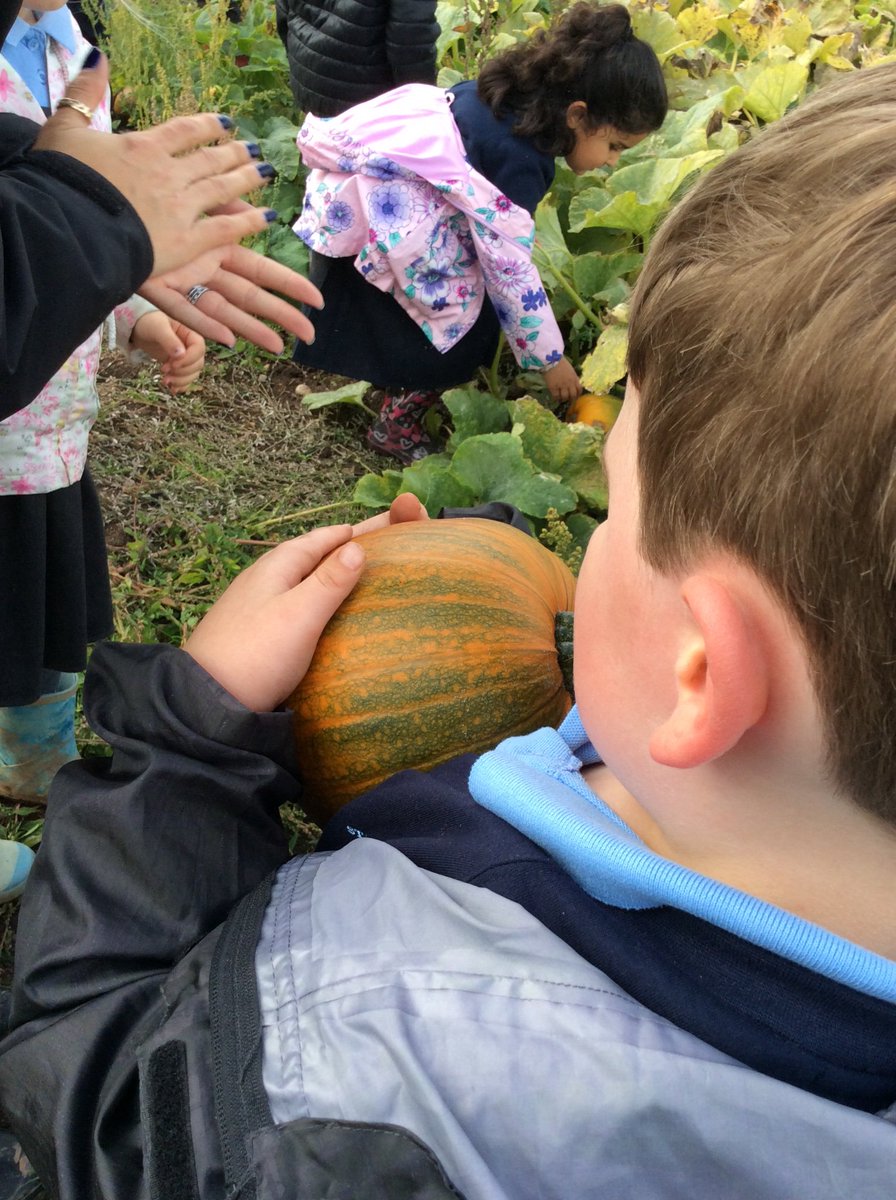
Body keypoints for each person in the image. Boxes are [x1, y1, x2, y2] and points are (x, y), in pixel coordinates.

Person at [1, 57, 895, 1200]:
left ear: (700, 675)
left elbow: (94, 1096)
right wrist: (490, 573)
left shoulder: (368, 1036)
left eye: (617, 511)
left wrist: (185, 748)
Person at [0, 0, 207, 895]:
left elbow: (74, 224)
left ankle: (33, 757)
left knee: (49, 602)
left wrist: (137, 315)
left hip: (51, 427)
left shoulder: (72, 47)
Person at [290, 2, 667, 463]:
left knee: (439, 302)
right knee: (469, 324)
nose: (611, 161)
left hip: (353, 212)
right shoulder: (521, 160)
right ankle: (398, 422)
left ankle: (391, 382)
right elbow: (508, 271)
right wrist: (549, 359)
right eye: (614, 146)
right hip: (383, 233)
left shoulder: (505, 99)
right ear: (577, 115)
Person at [275, 0, 439, 119]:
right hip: (372, 107)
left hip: (311, 88)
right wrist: (421, 104)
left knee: (322, 154)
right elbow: (411, 36)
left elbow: (283, 12)